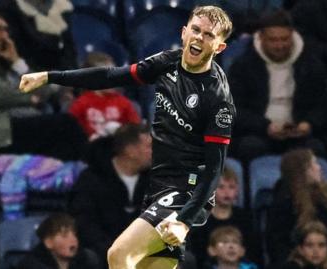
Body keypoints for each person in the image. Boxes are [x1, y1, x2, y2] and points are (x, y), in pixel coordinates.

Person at [19, 5, 235, 269]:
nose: (200, 38)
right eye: (196, 30)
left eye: (209, 35)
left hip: (187, 190)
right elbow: (110, 76)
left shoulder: (217, 100)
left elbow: (214, 169)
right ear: (184, 32)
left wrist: (184, 221)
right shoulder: (168, 62)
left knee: (119, 255)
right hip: (160, 184)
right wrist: (51, 76)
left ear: (220, 48)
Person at [0, 8, 86, 189]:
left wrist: (17, 62)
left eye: (6, 30)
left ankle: (65, 189)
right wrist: (31, 99)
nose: (3, 35)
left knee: (64, 140)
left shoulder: (5, 63)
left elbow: (43, 91)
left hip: (8, 131)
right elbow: (2, 94)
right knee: (65, 125)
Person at [227, 9, 327, 163]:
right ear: (261, 37)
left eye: (284, 39)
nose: (280, 45)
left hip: (299, 134)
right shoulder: (243, 66)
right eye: (273, 40)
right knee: (249, 147)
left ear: (292, 35)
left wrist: (308, 123)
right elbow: (234, 109)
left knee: (317, 148)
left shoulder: (310, 64)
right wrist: (265, 126)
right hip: (258, 133)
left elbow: (322, 104)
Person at [68, 123, 151, 267]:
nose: (155, 151)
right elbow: (85, 223)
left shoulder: (155, 180)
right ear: (130, 151)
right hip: (104, 252)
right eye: (149, 146)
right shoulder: (92, 179)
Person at [265, 149, 327, 267]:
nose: (319, 168)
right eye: (314, 164)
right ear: (302, 170)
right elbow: (278, 246)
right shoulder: (284, 203)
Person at [188, 167, 261, 268]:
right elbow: (197, 253)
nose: (227, 192)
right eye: (221, 187)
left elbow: (253, 250)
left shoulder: (245, 218)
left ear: (237, 190)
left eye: (231, 187)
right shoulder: (201, 219)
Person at [69, 52, 141, 141]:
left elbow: (136, 131)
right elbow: (71, 131)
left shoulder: (123, 102)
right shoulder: (81, 104)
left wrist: (121, 131)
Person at [15, 213, 100, 269]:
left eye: (74, 234)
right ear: (48, 242)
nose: (73, 239)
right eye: (64, 235)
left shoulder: (86, 261)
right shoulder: (31, 265)